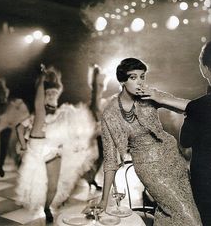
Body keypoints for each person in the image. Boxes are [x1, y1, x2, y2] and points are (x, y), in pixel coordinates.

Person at [89, 58, 202, 226]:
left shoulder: (150, 95)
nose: (140, 82)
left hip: (173, 158)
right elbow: (110, 160)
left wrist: (159, 97)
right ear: (122, 81)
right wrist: (104, 200)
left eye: (142, 77)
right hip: (149, 168)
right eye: (133, 77)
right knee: (186, 215)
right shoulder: (111, 113)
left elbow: (190, 108)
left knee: (180, 210)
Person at [15, 65, 98, 223]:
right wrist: (23, 145)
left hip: (54, 149)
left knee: (53, 186)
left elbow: (73, 133)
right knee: (35, 184)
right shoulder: (37, 114)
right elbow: (19, 127)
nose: (51, 95)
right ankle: (39, 204)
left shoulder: (63, 115)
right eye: (48, 93)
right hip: (37, 145)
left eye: (54, 93)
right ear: (44, 94)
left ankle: (47, 208)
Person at [180, 41, 211, 226]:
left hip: (206, 186)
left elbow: (185, 141)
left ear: (204, 69)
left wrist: (188, 112)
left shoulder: (198, 107)